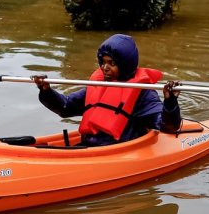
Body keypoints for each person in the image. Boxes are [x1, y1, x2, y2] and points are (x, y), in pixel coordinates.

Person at [33, 33, 182, 146]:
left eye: (112, 63)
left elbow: (168, 126)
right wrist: (46, 90)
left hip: (119, 151)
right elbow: (65, 107)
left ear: (125, 65)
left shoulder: (142, 92)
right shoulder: (99, 86)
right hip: (89, 148)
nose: (105, 68)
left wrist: (170, 102)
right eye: (103, 62)